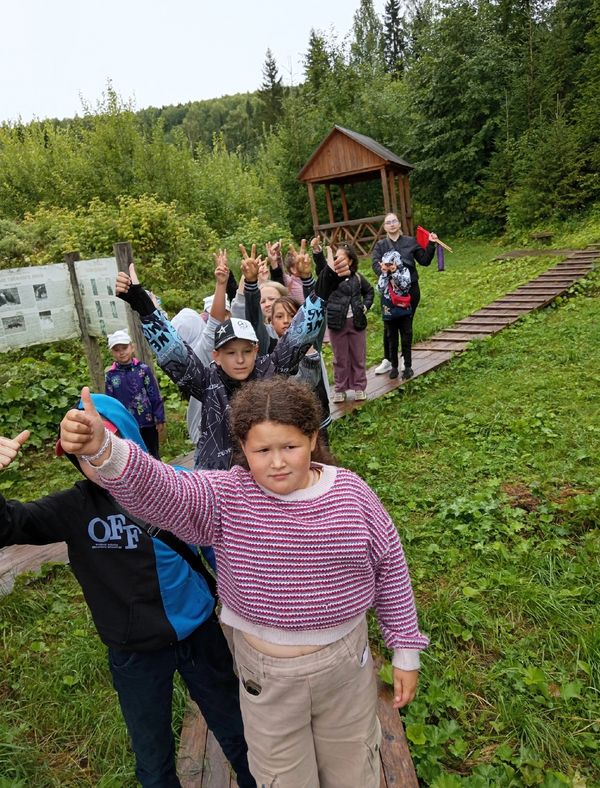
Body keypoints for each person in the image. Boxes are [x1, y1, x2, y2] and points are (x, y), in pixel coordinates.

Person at [59, 378, 429, 788]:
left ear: (312, 437)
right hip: (265, 678)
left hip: (345, 665)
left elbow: (390, 565)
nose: (277, 463)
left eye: (289, 446)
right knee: (281, 776)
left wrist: (406, 649)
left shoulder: (352, 493)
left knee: (354, 766)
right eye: (262, 451)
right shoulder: (226, 498)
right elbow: (164, 488)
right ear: (242, 447)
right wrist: (103, 450)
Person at [0, 395, 255, 788]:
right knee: (153, 760)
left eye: (104, 443)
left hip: (200, 634)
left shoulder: (175, 486)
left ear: (131, 439)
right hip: (134, 650)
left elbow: (220, 549)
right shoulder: (75, 507)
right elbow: (9, 526)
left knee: (240, 735)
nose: (95, 460)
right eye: (83, 454)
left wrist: (251, 613)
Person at [115, 247, 349, 470]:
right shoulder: (206, 381)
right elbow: (174, 352)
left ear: (256, 351)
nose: (240, 359)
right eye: (230, 352)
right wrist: (143, 305)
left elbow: (300, 332)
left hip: (268, 478)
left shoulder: (271, 369)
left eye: (246, 351)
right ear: (216, 356)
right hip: (219, 485)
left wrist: (326, 282)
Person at [371, 214, 439, 380]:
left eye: (394, 221)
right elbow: (375, 264)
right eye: (388, 222)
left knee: (406, 326)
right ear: (384, 227)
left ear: (399, 224)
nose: (392, 224)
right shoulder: (380, 245)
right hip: (389, 291)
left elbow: (424, 260)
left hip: (409, 290)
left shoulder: (410, 241)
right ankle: (388, 359)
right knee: (389, 326)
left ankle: (404, 360)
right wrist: (385, 271)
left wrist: (431, 243)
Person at [311, 239, 374, 403]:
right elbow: (320, 270)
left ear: (350, 261)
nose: (337, 260)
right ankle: (340, 389)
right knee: (340, 359)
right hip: (336, 323)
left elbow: (369, 292)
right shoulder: (330, 278)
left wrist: (365, 307)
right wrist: (317, 252)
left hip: (357, 323)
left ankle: (359, 387)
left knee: (358, 356)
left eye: (342, 258)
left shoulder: (358, 278)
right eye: (335, 258)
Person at [105, 329, 165, 458]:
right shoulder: (111, 375)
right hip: (126, 423)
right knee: (134, 455)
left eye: (124, 348)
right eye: (117, 350)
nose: (121, 353)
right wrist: (112, 423)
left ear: (132, 347)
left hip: (147, 420)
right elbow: (110, 402)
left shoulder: (143, 370)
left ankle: (159, 476)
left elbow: (153, 393)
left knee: (153, 453)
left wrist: (159, 417)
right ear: (112, 352)